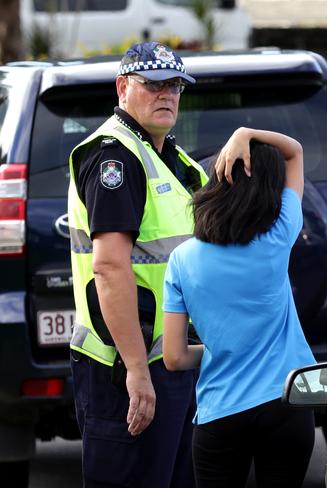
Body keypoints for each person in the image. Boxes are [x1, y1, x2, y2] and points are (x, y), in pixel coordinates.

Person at [67, 41, 208, 487]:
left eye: (175, 86)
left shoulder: (174, 161)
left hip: (172, 362)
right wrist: (136, 371)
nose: (167, 94)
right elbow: (109, 268)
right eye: (153, 85)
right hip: (126, 367)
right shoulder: (117, 158)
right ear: (123, 87)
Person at [162, 127, 316, 487]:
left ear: (219, 179)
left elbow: (173, 358)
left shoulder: (182, 259)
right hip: (287, 403)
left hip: (220, 413)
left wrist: (219, 349)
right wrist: (245, 134)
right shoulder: (278, 235)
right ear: (271, 189)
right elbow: (294, 151)